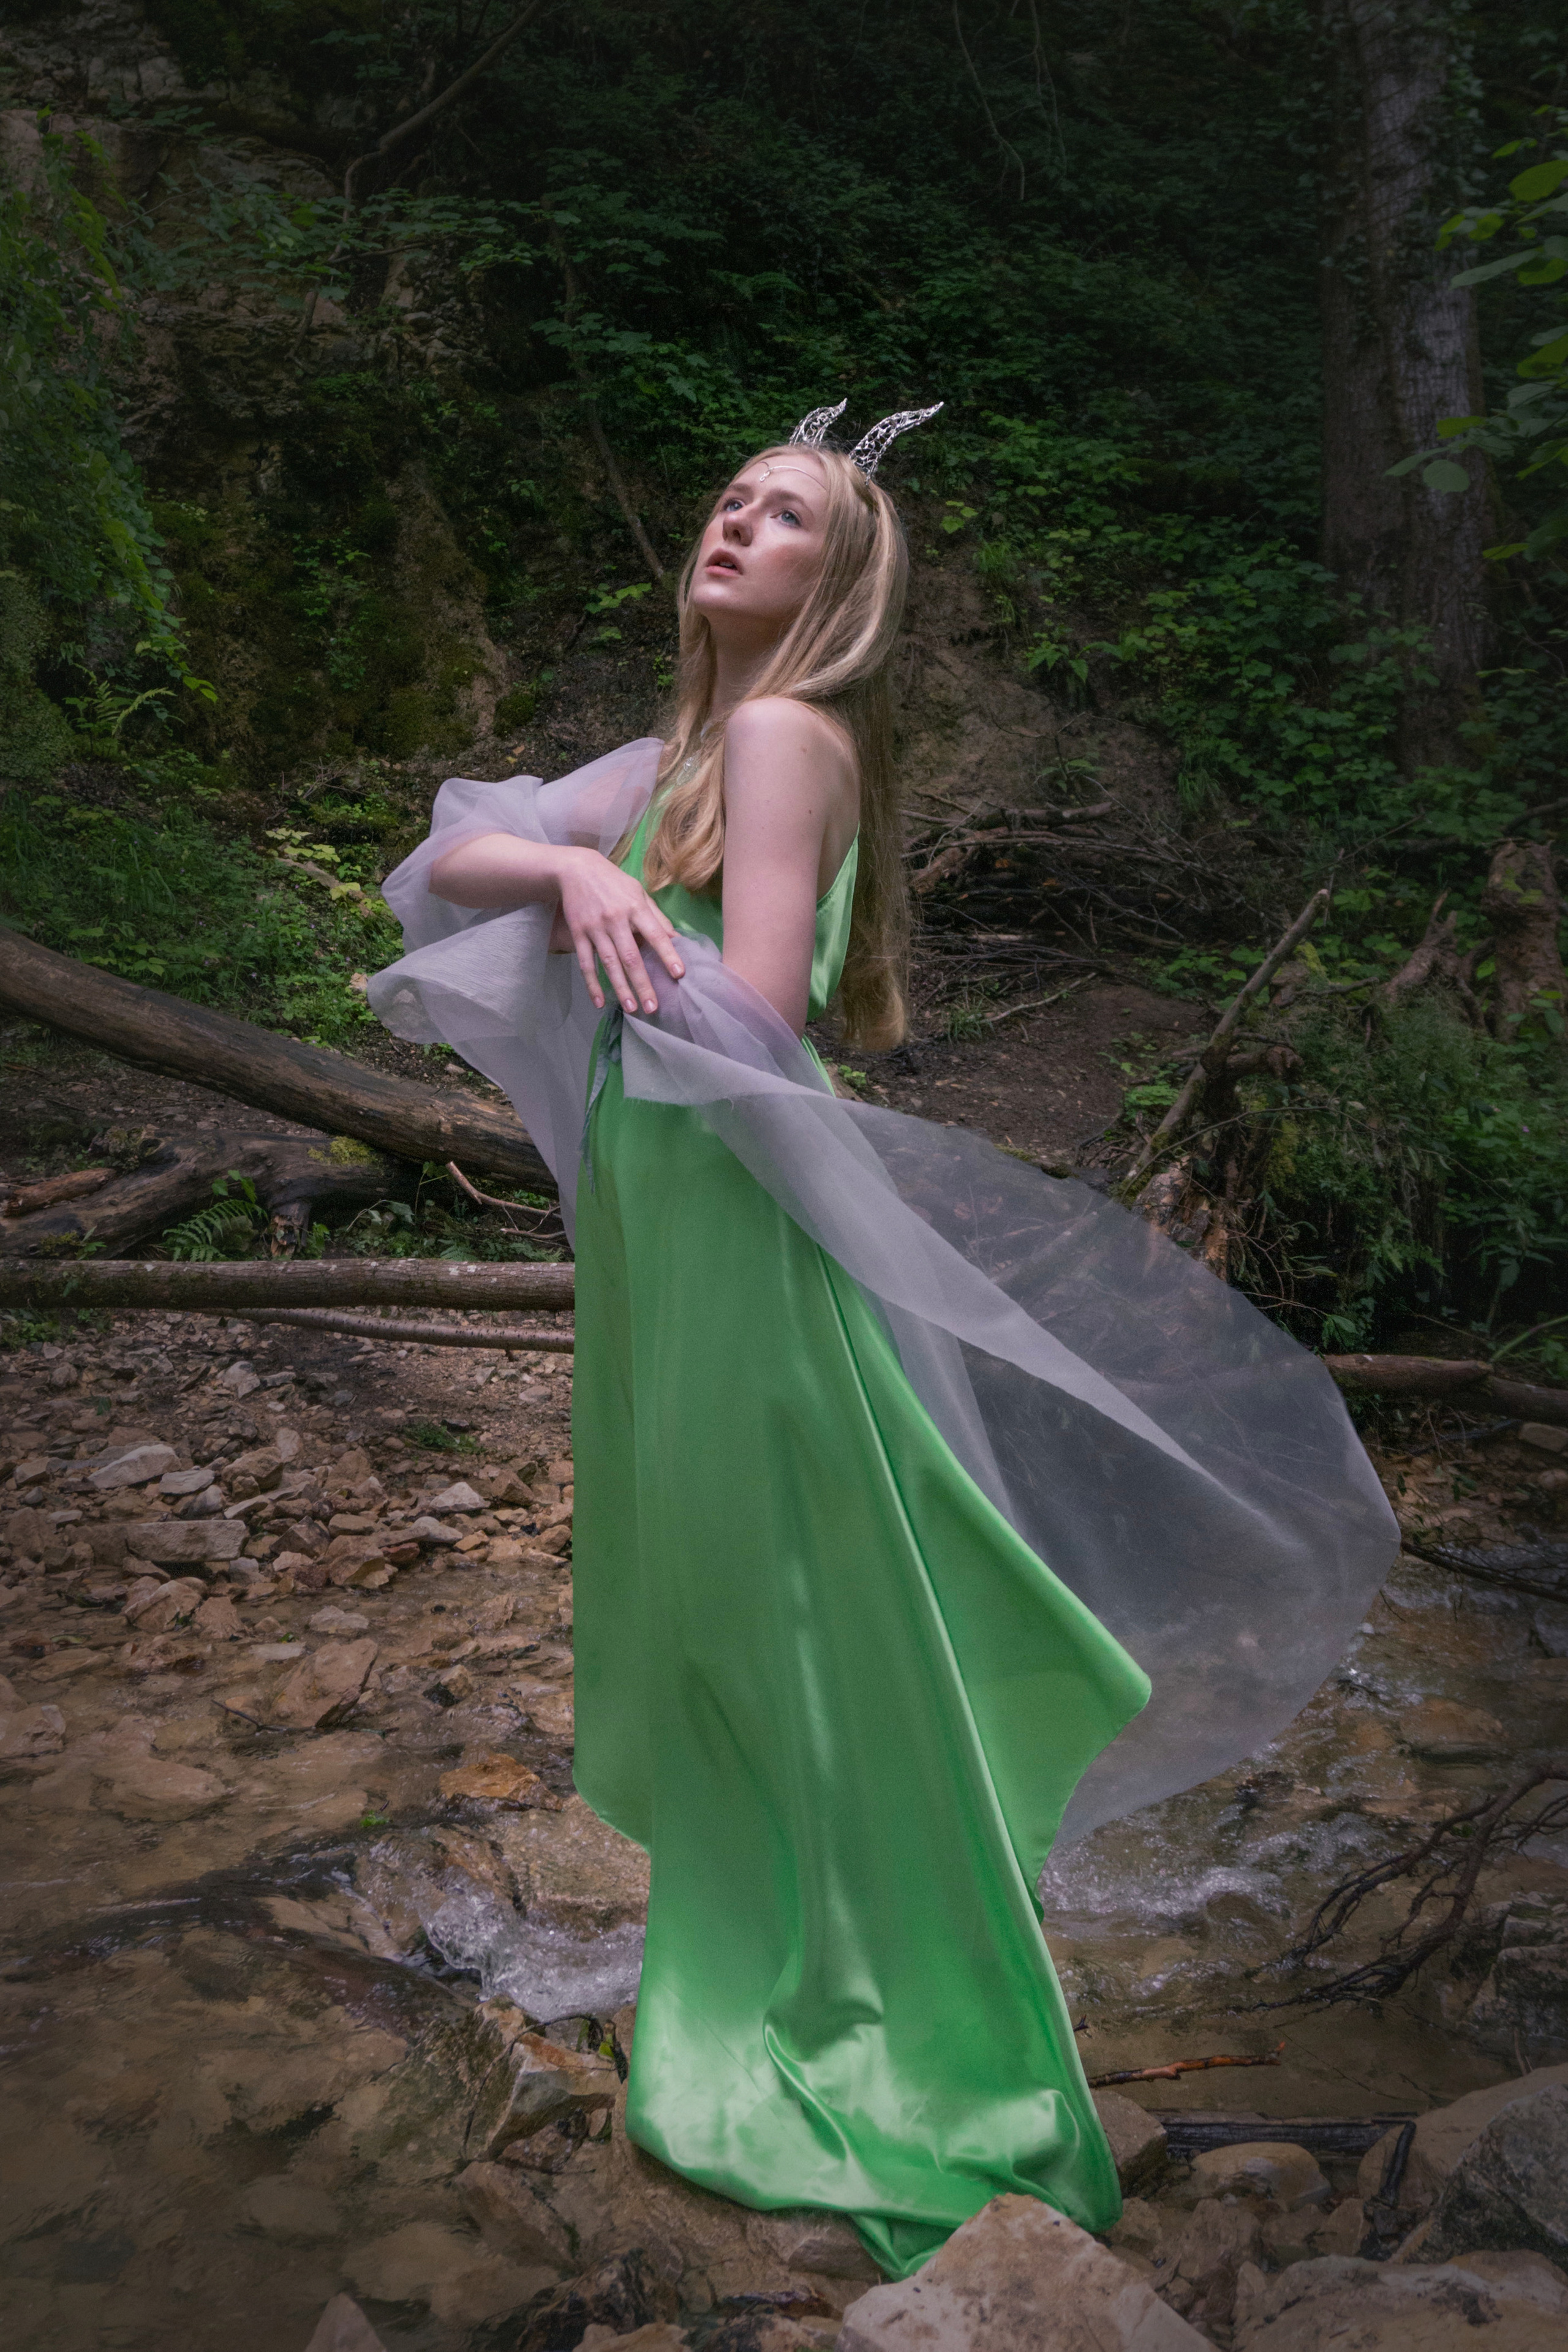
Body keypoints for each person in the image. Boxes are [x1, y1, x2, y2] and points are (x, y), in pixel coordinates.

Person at [371, 403, 1398, 2277]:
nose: (739, 526)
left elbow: (753, 1011)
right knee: (761, 1593)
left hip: (726, 1211)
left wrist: (615, 895)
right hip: (672, 1214)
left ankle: (860, 2002)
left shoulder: (776, 734)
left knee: (775, 1601)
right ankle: (808, 1942)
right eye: (733, 499)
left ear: (839, 584)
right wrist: (581, 872)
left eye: (788, 520)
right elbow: (454, 863)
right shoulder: (697, 741)